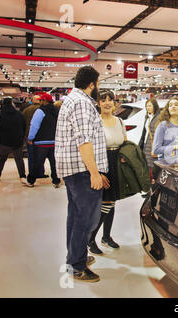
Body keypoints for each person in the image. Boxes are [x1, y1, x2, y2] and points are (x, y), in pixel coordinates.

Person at [55, 66, 108, 283]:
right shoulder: (82, 103)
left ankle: (75, 258)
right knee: (87, 218)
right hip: (81, 171)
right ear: (92, 84)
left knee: (76, 216)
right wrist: (94, 173)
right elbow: (84, 141)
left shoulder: (73, 99)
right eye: (98, 82)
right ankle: (76, 266)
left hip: (76, 170)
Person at [88, 91, 127, 256]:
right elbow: (90, 149)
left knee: (111, 203)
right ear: (98, 103)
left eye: (110, 99)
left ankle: (106, 236)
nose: (107, 103)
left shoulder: (119, 121)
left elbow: (124, 142)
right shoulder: (95, 122)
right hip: (102, 164)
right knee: (105, 204)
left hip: (116, 164)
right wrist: (97, 172)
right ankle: (90, 240)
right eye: (103, 100)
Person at [25, 93, 61, 188]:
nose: (40, 102)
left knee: (37, 163)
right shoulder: (57, 111)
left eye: (41, 100)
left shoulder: (40, 111)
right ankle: (56, 181)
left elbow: (34, 125)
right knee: (54, 164)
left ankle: (31, 180)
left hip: (41, 143)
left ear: (45, 101)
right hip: (54, 142)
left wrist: (30, 138)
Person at [0, 97, 27, 183]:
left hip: (4, 142)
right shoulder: (19, 114)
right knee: (19, 160)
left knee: (1, 159)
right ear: (12, 103)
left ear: (3, 104)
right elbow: (24, 126)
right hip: (18, 142)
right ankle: (22, 176)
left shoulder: (0, 116)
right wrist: (22, 137)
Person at [153, 97, 178, 165]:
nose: (173, 106)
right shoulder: (162, 126)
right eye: (170, 105)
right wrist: (176, 147)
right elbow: (156, 149)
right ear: (168, 109)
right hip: (166, 166)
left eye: (176, 105)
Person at [22, 94, 46, 178]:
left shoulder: (26, 110)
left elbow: (23, 123)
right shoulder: (42, 110)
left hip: (29, 135)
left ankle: (32, 173)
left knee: (31, 155)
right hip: (41, 136)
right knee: (40, 156)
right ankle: (40, 173)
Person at [138, 98, 161, 171]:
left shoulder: (159, 118)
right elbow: (144, 133)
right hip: (145, 145)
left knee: (151, 166)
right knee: (146, 165)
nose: (148, 108)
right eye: (147, 106)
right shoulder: (147, 117)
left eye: (150, 106)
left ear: (155, 106)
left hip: (152, 146)